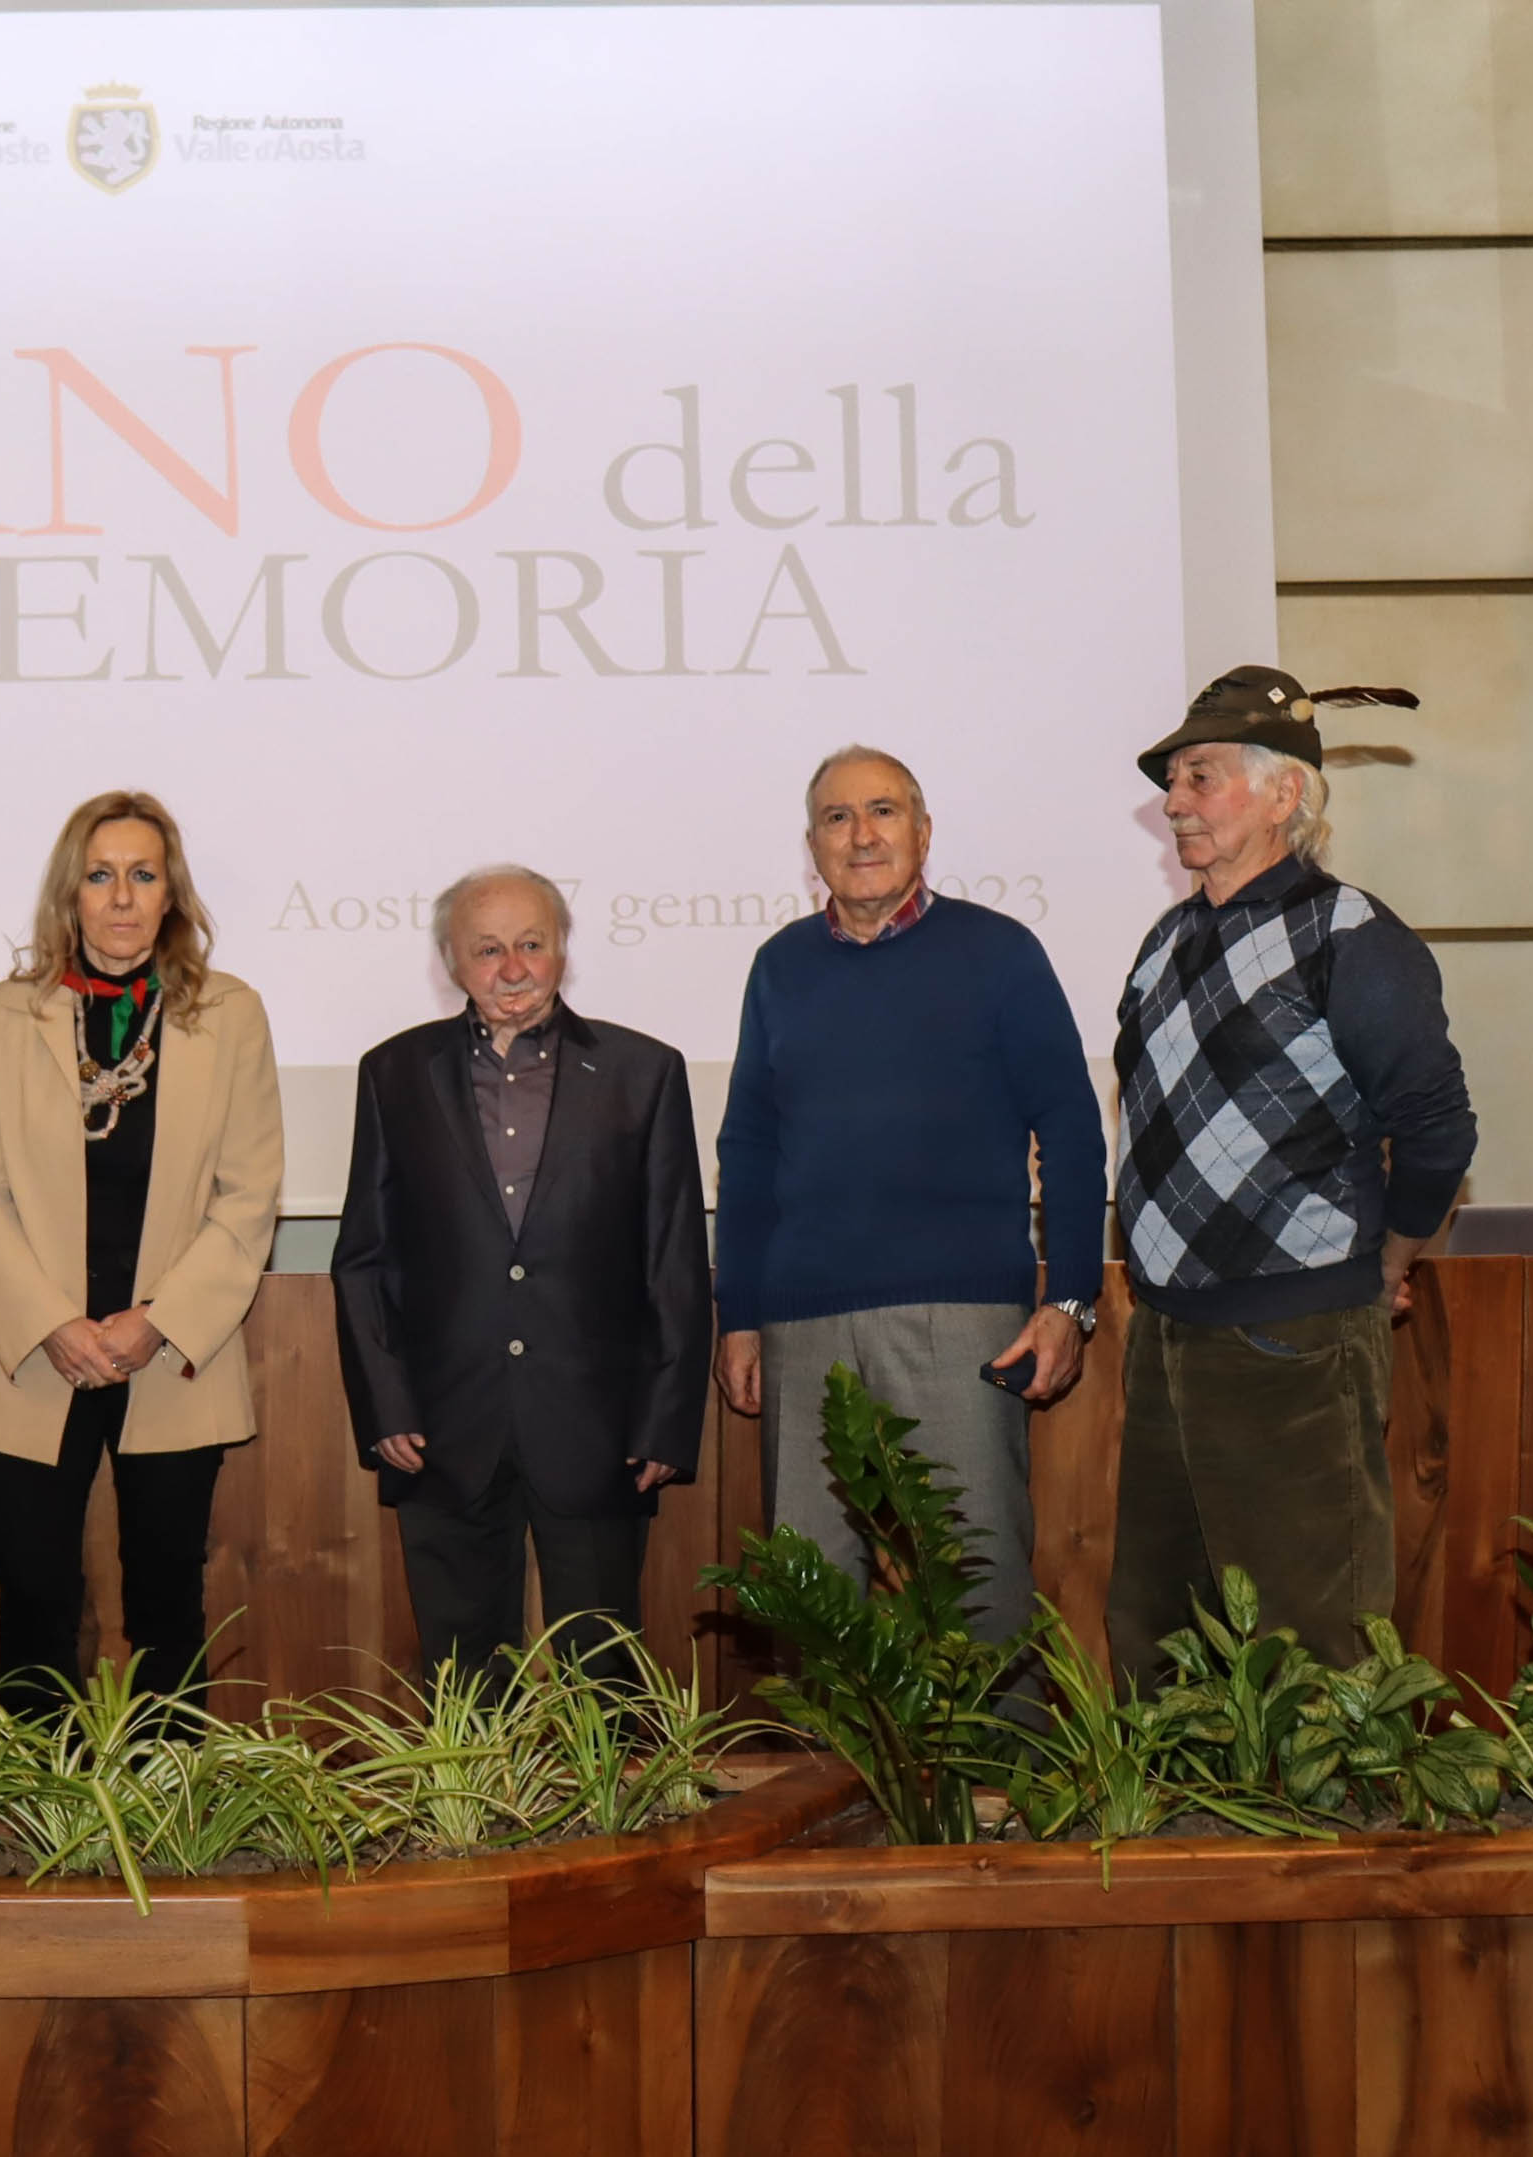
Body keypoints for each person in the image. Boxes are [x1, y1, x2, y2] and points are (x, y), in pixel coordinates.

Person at [1107, 668, 1472, 1678]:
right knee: (1157, 1632)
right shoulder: (1166, 940)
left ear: (1283, 793)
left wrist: (1390, 1259)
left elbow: (1437, 1125)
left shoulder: (1349, 934)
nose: (1173, 801)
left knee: (1309, 1641)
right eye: (1172, 780)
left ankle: (1327, 1796)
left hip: (1295, 1331)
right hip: (1166, 1330)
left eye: (1200, 775)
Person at [712, 748, 1106, 1641]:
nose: (861, 834)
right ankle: (833, 1747)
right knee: (811, 1607)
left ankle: (998, 1740)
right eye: (837, 817)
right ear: (811, 844)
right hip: (802, 1325)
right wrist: (737, 1313)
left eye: (882, 811)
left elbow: (1071, 1129)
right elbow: (748, 1149)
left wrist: (1070, 1299)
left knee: (979, 1589)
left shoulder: (999, 951)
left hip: (962, 1320)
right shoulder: (778, 965)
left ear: (923, 833)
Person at [0, 792, 283, 1718]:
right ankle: (34, 1797)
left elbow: (249, 1194)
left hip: (170, 1353)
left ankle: (169, 1800)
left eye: (142, 874)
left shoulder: (230, 1013)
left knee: (169, 1607)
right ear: (71, 892)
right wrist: (52, 1322)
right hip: (33, 1352)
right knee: (33, 1603)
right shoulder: (2, 1015)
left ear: (171, 892)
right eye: (100, 875)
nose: (122, 896)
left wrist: (157, 1322)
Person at [333, 866, 708, 1682]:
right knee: (461, 1682)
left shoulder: (644, 1071)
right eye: (488, 949)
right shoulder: (393, 1073)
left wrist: (664, 1421)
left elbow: (675, 1261)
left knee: (602, 1681)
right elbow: (364, 1258)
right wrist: (385, 1405)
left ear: (562, 948)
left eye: (531, 944)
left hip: (598, 1432)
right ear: (450, 962)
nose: (512, 968)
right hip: (440, 1432)